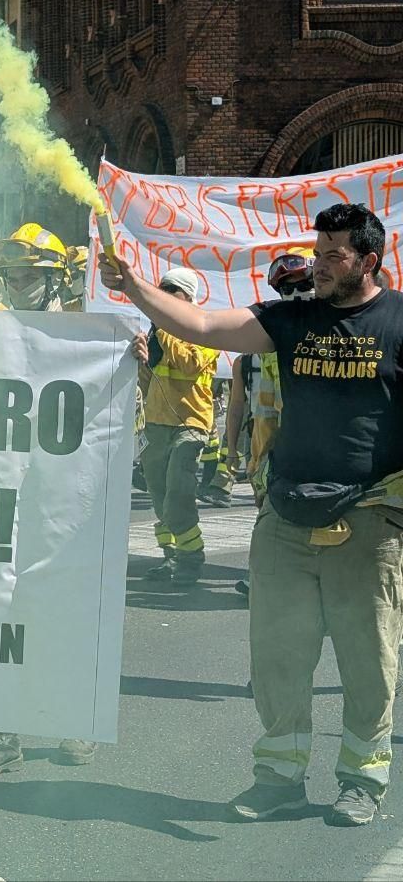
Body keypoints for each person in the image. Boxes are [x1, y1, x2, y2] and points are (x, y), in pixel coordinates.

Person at [100, 203, 403, 827]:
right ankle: (279, 777)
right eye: (316, 253)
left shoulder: (400, 321)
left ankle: (361, 779)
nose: (318, 266)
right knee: (278, 658)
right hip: (286, 518)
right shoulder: (291, 319)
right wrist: (133, 286)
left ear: (369, 261)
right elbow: (206, 324)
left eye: (332, 256)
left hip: (370, 520)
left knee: (367, 660)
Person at [0, 223, 97, 777]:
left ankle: (73, 720)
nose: (17, 282)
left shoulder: (89, 330)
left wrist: (136, 351)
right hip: (4, 486)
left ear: (54, 277)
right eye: (11, 274)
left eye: (28, 273)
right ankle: (2, 734)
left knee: (63, 606)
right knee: (1, 606)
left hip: (67, 493)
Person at [228, 248, 317, 598]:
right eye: (287, 288)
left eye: (303, 283)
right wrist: (232, 450)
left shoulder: (333, 339)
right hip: (265, 457)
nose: (296, 294)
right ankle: (265, 580)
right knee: (269, 520)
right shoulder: (251, 355)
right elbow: (238, 406)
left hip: (313, 450)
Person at [136, 267, 219, 586]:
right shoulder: (155, 333)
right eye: (163, 290)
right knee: (159, 496)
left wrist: (167, 327)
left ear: (188, 297)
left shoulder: (204, 328)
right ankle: (170, 557)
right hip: (155, 423)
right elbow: (146, 382)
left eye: (174, 292)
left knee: (178, 495)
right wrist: (141, 357)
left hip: (191, 424)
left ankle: (190, 559)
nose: (166, 297)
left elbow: (190, 362)